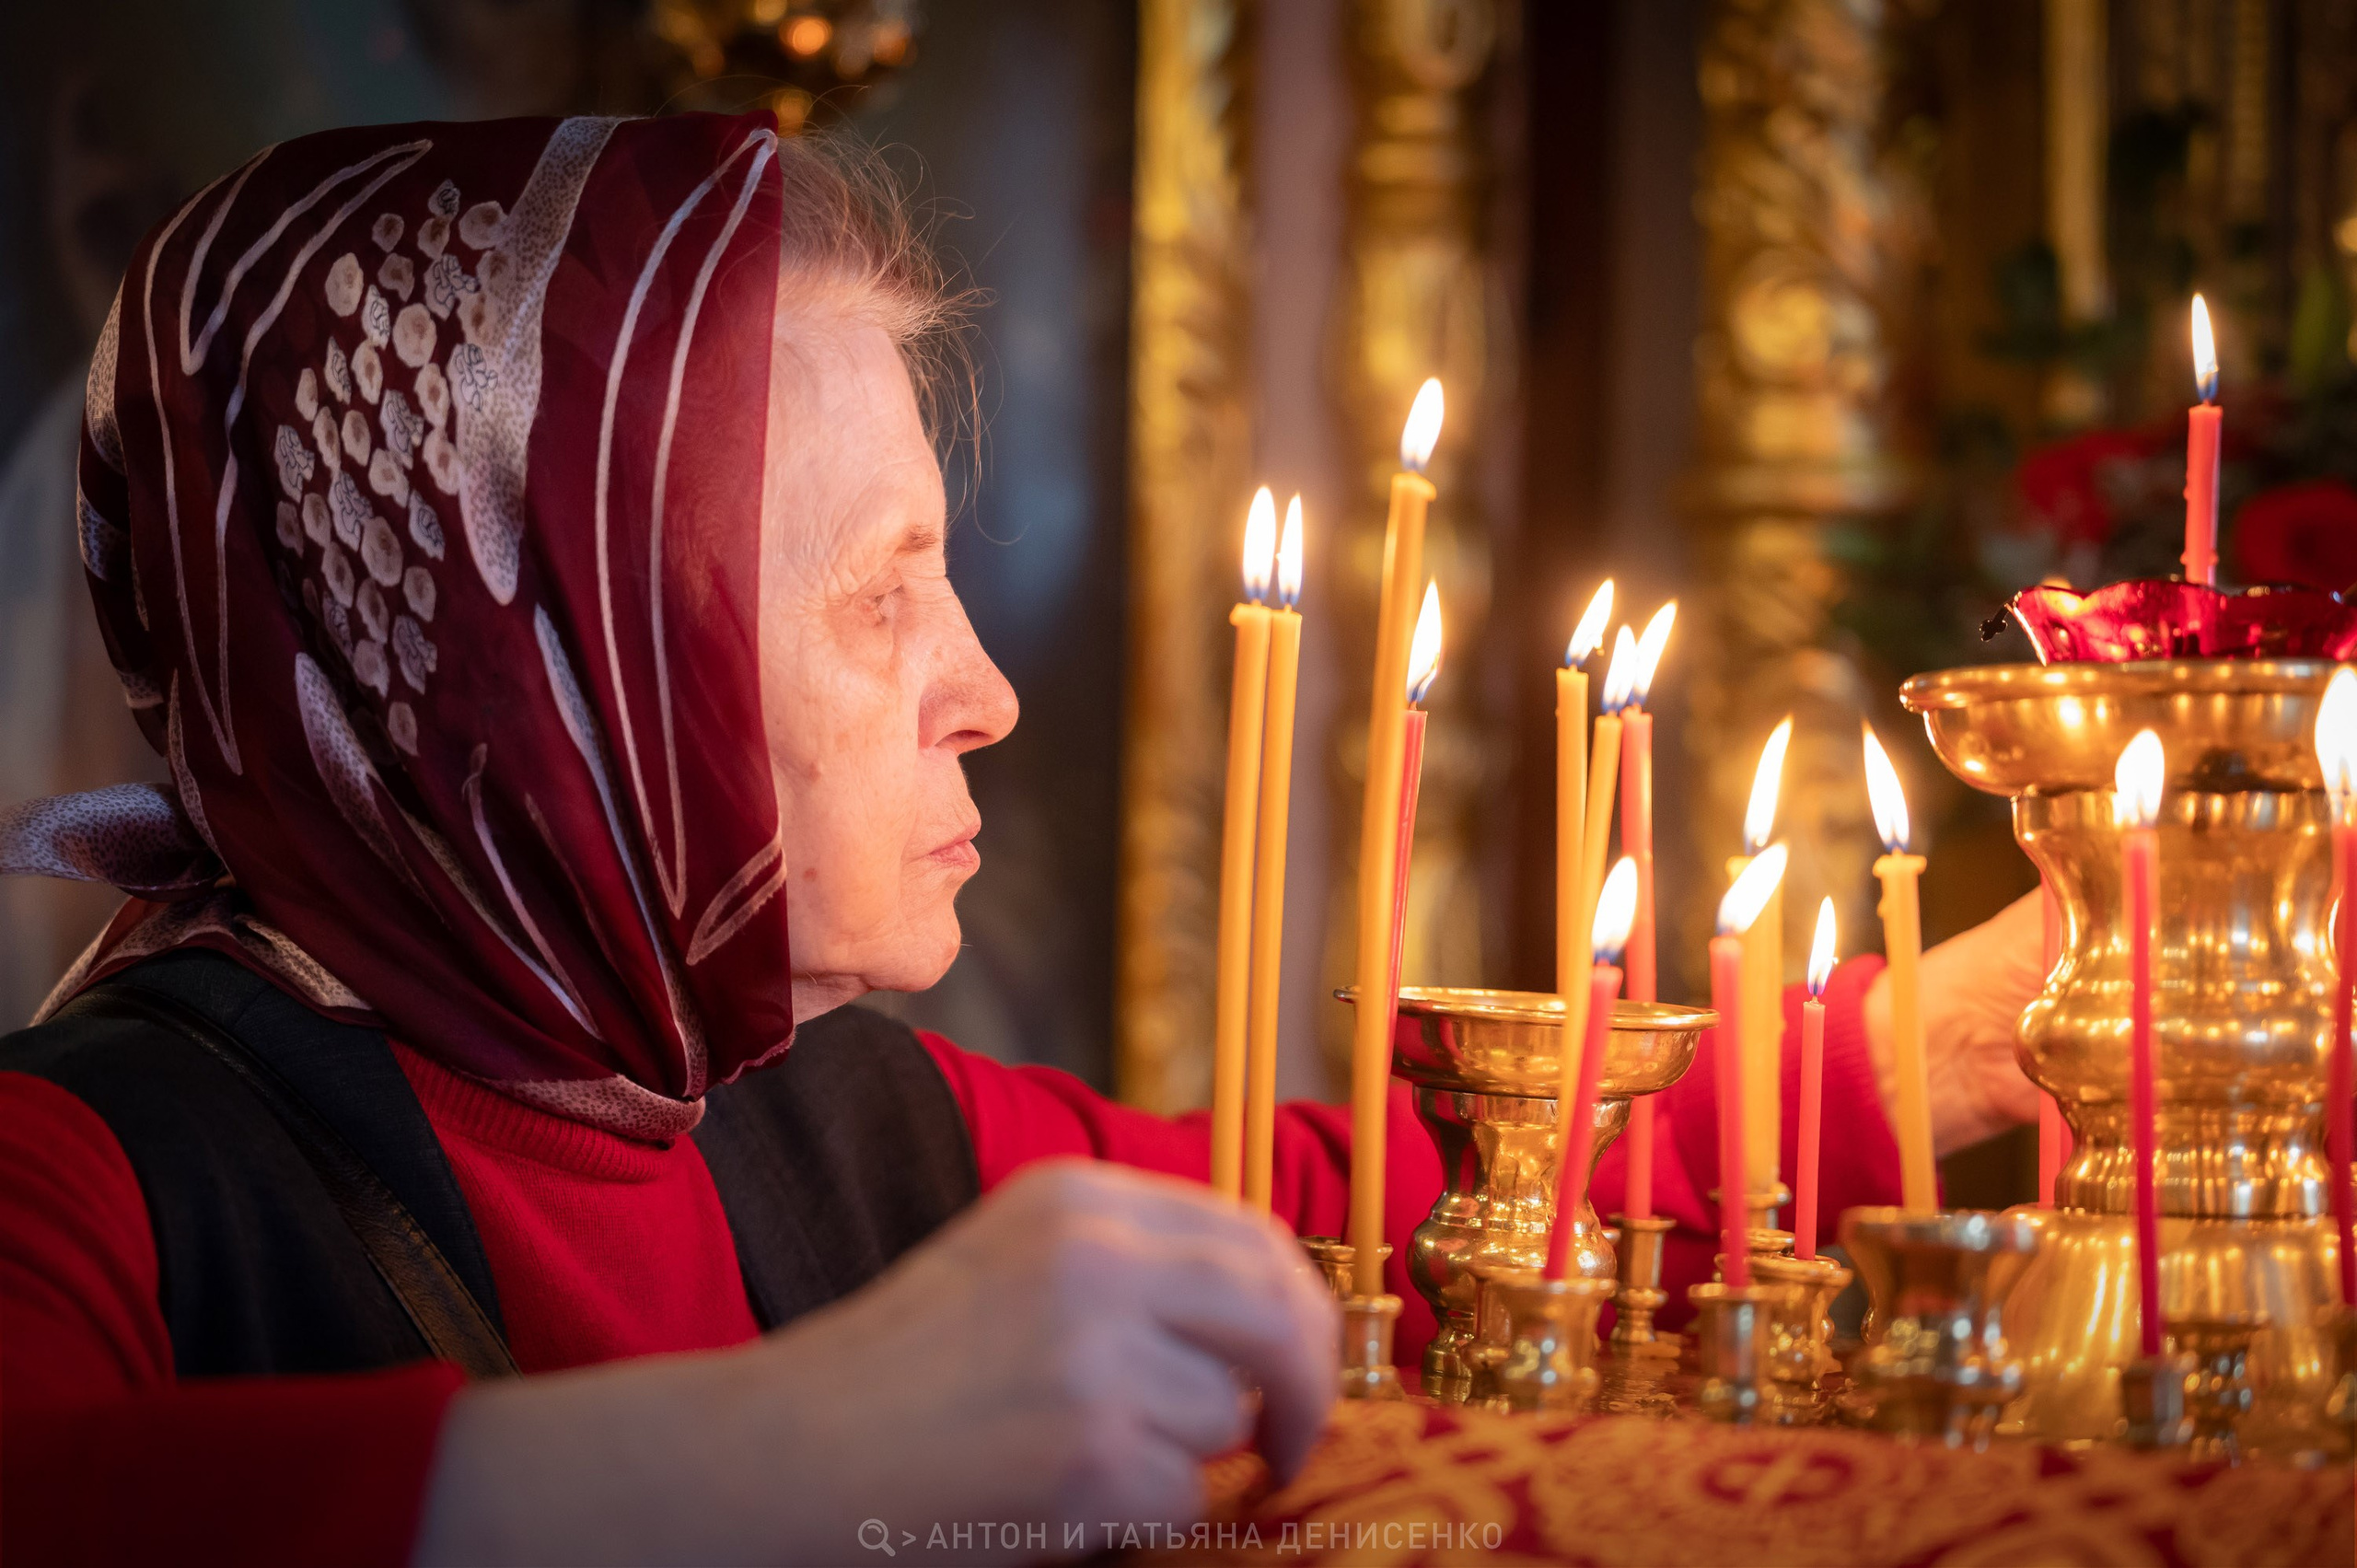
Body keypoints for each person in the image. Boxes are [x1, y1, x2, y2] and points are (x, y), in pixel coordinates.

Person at [0, 113, 2045, 1565]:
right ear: (538, 671)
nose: (983, 691)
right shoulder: (89, 1170)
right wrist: (796, 1454)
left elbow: (1405, 1226)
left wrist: (1970, 1028)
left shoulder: (813, 1112)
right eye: (877, 596)